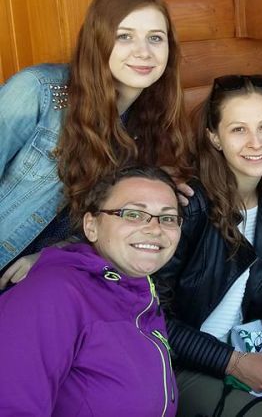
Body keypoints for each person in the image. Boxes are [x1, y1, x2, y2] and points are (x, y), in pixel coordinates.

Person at [155, 75, 262, 417]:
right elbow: (152, 315)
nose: (255, 142)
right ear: (214, 137)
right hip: (182, 365)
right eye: (238, 130)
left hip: (248, 345)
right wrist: (231, 361)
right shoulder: (189, 205)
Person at [0, 0, 192, 287]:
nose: (143, 52)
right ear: (98, 41)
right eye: (124, 36)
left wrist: (153, 191)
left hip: (49, 281)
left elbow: (92, 226)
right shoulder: (38, 92)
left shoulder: (149, 124)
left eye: (155, 38)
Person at [0, 166, 181, 416]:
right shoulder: (53, 294)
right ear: (91, 226)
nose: (155, 228)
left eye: (168, 218)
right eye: (133, 214)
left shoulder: (141, 296)